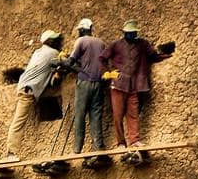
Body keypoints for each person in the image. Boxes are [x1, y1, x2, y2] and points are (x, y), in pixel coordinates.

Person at [100, 19, 173, 149]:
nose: (131, 34)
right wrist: (108, 72)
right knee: (118, 115)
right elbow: (102, 58)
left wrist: (167, 55)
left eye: (133, 32)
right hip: (118, 85)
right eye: (128, 32)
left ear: (136, 32)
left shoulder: (142, 44)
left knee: (133, 114)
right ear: (124, 33)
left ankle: (134, 141)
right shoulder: (116, 45)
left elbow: (152, 56)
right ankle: (121, 143)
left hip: (134, 86)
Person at [5, 30, 63, 160]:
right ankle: (11, 153)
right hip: (28, 91)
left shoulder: (38, 52)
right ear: (47, 41)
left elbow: (49, 77)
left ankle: (11, 152)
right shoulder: (53, 53)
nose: (56, 41)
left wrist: (56, 76)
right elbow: (66, 62)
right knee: (19, 121)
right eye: (53, 39)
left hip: (26, 87)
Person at [62, 18, 106, 155]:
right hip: (99, 83)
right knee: (96, 115)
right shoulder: (101, 43)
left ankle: (77, 149)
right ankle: (98, 147)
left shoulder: (81, 41)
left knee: (80, 115)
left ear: (81, 30)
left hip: (84, 82)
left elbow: (70, 62)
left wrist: (62, 61)